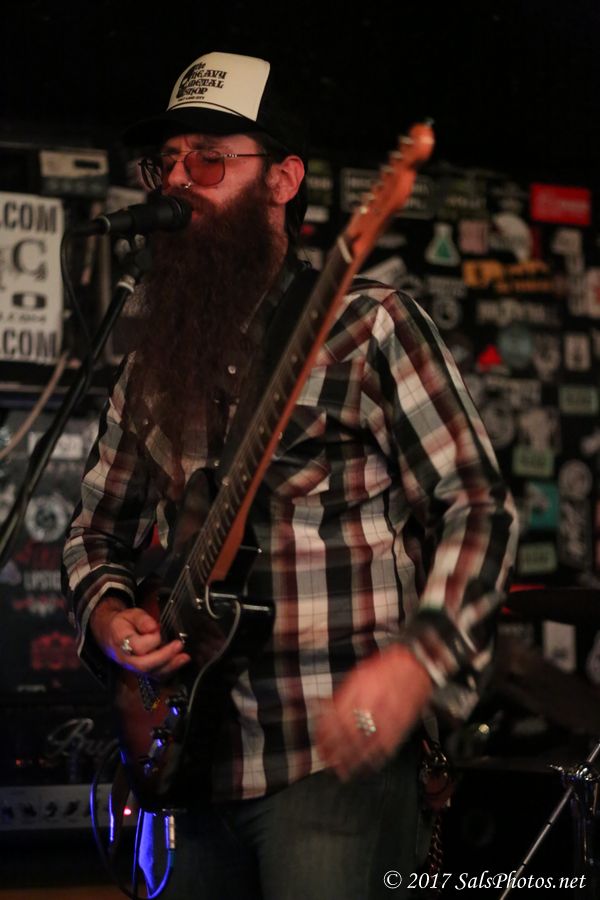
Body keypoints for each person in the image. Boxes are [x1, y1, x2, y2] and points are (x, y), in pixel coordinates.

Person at [62, 50, 518, 899]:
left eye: (209, 159)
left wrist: (418, 662)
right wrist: (112, 615)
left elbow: (478, 505)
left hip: (332, 758)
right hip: (190, 768)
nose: (178, 181)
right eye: (168, 162)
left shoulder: (369, 325)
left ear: (283, 180)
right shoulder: (150, 362)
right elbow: (93, 530)